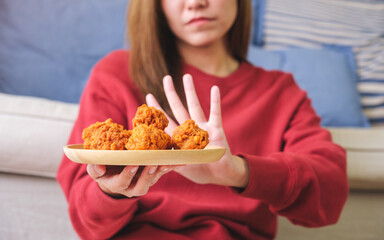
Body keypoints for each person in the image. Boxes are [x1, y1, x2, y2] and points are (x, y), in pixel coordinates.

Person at [57, 0, 349, 239]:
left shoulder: (280, 92)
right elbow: (87, 223)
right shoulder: (117, 73)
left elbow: (330, 195)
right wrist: (112, 190)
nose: (196, 3)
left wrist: (237, 171)